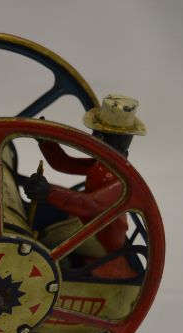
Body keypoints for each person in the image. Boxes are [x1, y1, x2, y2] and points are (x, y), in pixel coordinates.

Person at [25, 94, 146, 278]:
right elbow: (64, 164)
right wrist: (46, 141)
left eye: (97, 135)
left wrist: (48, 192)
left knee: (48, 240)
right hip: (89, 225)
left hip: (101, 241)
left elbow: (89, 205)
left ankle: (53, 273)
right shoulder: (103, 164)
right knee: (46, 217)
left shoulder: (120, 181)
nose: (92, 138)